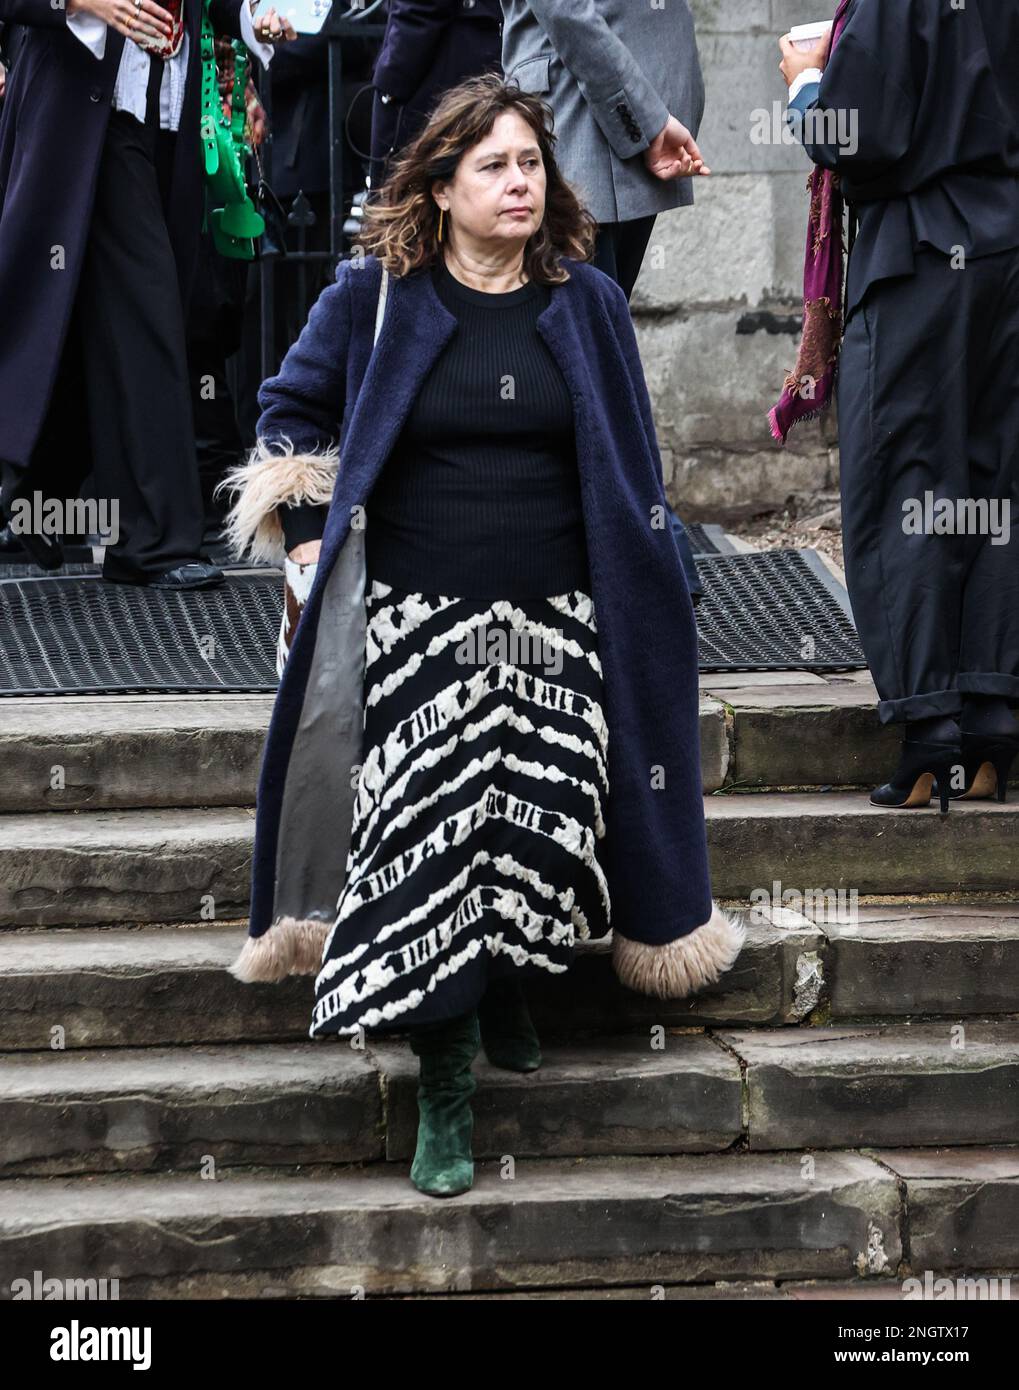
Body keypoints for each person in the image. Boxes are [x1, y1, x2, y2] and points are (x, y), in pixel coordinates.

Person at [220, 74, 744, 1199]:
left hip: (558, 629)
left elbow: (628, 464)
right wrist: (305, 534)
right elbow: (286, 412)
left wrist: (653, 581)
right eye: (494, 166)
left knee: (542, 836)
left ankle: (502, 977)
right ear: (442, 185)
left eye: (530, 164)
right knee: (432, 847)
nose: (519, 183)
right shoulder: (375, 294)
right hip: (418, 626)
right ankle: (443, 1086)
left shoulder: (585, 300)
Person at [779, 0, 1019, 811]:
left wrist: (805, 83)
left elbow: (857, 138)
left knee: (905, 482)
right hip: (1005, 248)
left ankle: (928, 731)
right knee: (996, 483)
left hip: (918, 252)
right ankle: (989, 719)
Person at [0, 0, 295, 587]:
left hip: (167, 117)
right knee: (147, 310)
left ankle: (39, 499)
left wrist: (254, 17)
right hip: (84, 113)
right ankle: (153, 540)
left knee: (96, 316)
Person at [500, 0, 709, 599]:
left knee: (583, 357)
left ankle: (648, 556)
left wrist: (648, 118)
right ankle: (654, 551)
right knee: (586, 357)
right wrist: (647, 117)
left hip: (597, 124)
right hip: (597, 119)